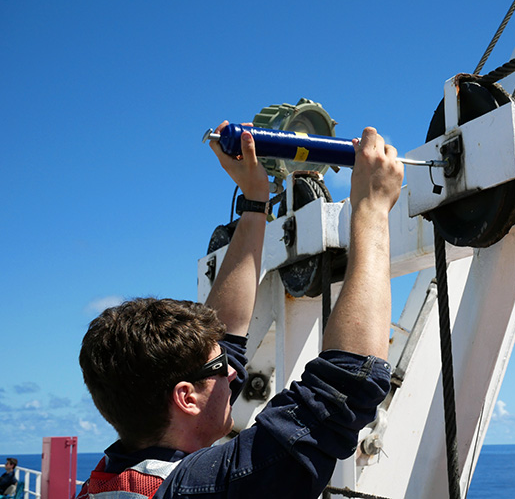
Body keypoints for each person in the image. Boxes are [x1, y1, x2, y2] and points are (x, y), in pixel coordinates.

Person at [78, 121, 404, 499]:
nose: (235, 372)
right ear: (186, 398)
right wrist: (373, 208)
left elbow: (224, 339)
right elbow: (349, 382)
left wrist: (255, 201)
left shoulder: (111, 477)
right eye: (219, 369)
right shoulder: (203, 490)